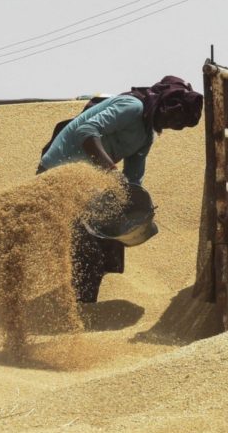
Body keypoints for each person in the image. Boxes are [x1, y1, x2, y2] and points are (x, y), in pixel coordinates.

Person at [37, 76, 203, 303]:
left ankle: (83, 304)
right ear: (166, 104)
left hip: (86, 186)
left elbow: (133, 180)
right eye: (175, 118)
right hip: (57, 173)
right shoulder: (132, 107)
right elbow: (86, 133)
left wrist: (139, 210)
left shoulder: (145, 137)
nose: (174, 126)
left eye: (180, 125)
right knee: (86, 244)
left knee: (104, 243)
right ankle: (71, 305)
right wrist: (112, 172)